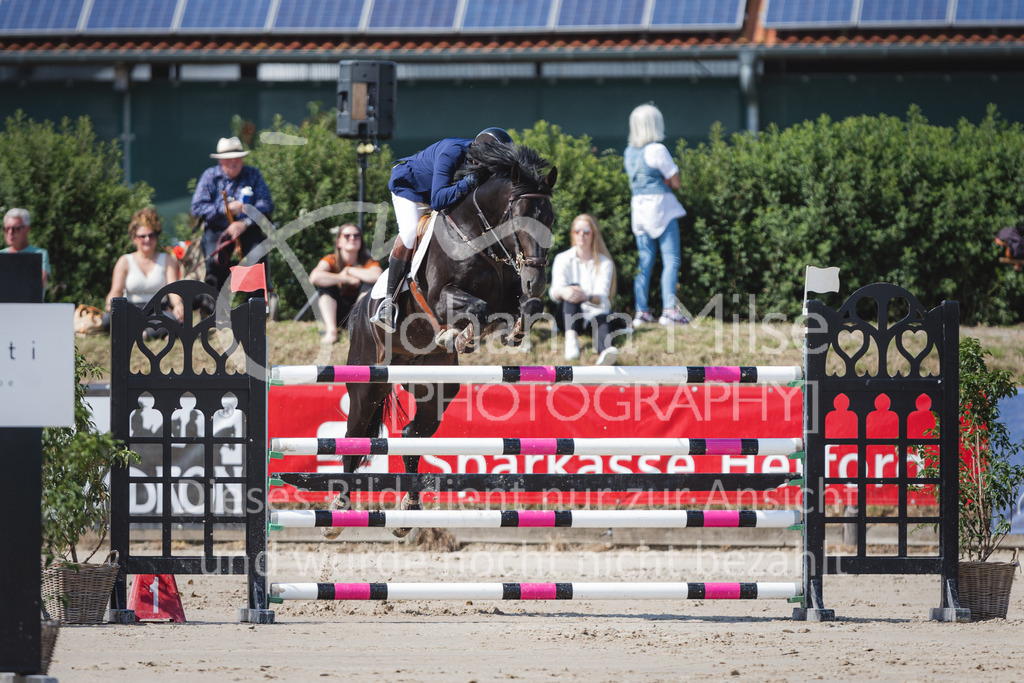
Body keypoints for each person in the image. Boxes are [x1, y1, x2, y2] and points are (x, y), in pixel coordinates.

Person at [370, 127, 514, 333]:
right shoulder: (452, 152)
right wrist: (467, 184)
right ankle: (388, 302)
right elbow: (438, 200)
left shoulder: (483, 164)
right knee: (411, 232)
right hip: (411, 190)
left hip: (440, 193)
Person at [624, 103, 689, 326]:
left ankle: (642, 312)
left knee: (645, 261)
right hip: (661, 209)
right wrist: (667, 180)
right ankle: (669, 310)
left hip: (639, 210)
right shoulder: (657, 150)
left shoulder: (629, 153)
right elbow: (676, 181)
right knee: (671, 259)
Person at [190, 136, 274, 301]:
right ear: (220, 160)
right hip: (217, 229)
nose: (234, 162)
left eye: (237, 157)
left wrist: (244, 222)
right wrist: (225, 209)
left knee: (257, 257)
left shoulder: (253, 174)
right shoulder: (210, 176)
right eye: (229, 159)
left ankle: (255, 307)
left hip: (248, 226)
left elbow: (266, 204)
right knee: (215, 262)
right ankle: (212, 306)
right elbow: (197, 207)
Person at [549, 214, 620, 365]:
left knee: (602, 320)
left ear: (594, 234)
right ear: (573, 233)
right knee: (571, 292)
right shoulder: (562, 258)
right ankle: (571, 341)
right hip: (567, 316)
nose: (581, 235)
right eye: (577, 231)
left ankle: (605, 353)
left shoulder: (605, 262)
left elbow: (602, 296)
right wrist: (565, 291)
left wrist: (586, 296)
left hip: (593, 315)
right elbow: (554, 291)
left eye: (586, 231)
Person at [105, 207, 184, 328]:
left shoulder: (167, 259)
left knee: (175, 318)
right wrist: (111, 305)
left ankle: (143, 333)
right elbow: (116, 291)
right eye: (142, 236)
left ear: (156, 237)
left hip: (159, 312)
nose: (147, 239)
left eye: (151, 235)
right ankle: (151, 332)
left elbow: (173, 290)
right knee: (107, 319)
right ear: (135, 238)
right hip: (131, 311)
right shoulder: (124, 261)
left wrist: (178, 305)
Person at [309, 223, 382, 344]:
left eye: (356, 235)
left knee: (370, 286)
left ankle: (360, 329)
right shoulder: (330, 260)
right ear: (339, 242)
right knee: (325, 287)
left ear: (361, 241)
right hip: (335, 311)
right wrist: (344, 278)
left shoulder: (368, 261)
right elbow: (315, 277)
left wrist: (350, 270)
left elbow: (378, 276)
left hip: (357, 311)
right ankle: (331, 332)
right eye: (347, 235)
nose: (352, 238)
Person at [3, 208, 50, 293]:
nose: (10, 232)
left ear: (27, 229)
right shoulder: (1, 254)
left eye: (15, 229)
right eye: (7, 229)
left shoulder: (40, 254)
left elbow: (40, 283)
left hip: (31, 306)